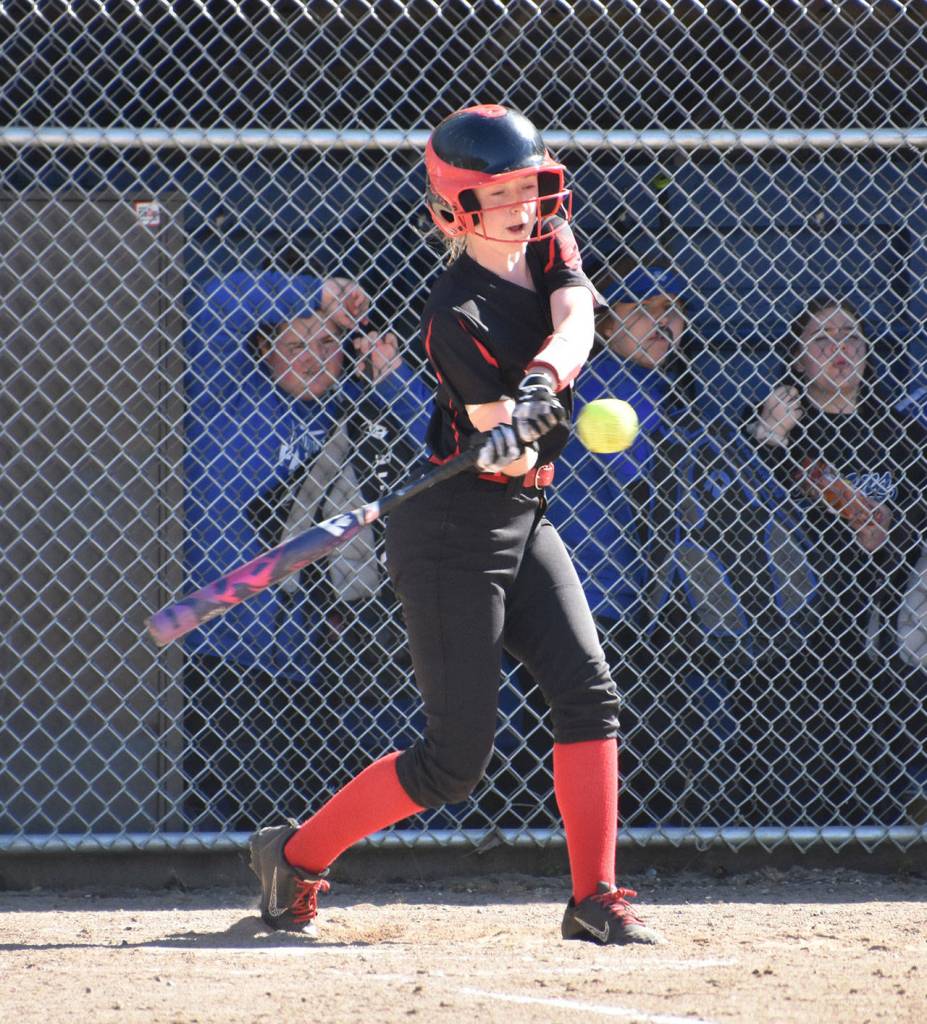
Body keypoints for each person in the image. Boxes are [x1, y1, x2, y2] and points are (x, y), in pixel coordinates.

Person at [248, 104, 665, 945]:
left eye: (530, 186)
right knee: (453, 764)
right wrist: (508, 431)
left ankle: (595, 899)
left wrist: (544, 385)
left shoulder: (547, 243)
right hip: (449, 533)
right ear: (453, 210)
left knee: (589, 696)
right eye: (498, 193)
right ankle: (293, 856)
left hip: (525, 515)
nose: (521, 205)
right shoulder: (456, 314)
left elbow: (577, 315)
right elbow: (502, 456)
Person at [548, 262, 820, 826]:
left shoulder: (662, 387)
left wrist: (752, 440)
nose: (664, 322)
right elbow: (664, 477)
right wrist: (753, 440)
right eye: (643, 311)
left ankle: (671, 825)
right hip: (607, 594)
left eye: (673, 311)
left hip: (649, 599)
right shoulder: (604, 384)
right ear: (604, 322)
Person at [182, 269, 428, 828]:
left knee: (324, 791)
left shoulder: (359, 410)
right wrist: (320, 295)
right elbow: (214, 300)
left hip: (327, 649)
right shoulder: (228, 398)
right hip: (229, 641)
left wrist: (391, 376)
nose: (315, 358)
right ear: (264, 351)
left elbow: (444, 447)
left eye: (328, 343)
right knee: (237, 799)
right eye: (295, 345)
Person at [748, 295, 927, 822]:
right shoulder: (775, 422)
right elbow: (752, 507)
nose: (839, 349)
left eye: (850, 336)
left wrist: (887, 525)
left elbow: (908, 518)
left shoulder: (900, 432)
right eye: (821, 339)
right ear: (798, 357)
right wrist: (770, 442)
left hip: (895, 591)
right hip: (808, 592)